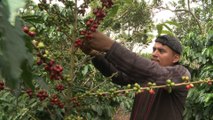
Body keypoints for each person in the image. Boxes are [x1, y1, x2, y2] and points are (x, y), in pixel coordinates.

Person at [81, 31, 191, 120]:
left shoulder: (181, 74)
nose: (154, 54)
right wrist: (95, 54)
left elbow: (154, 72)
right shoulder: (143, 74)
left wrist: (110, 46)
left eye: (161, 51)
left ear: (175, 58)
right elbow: (119, 76)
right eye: (154, 49)